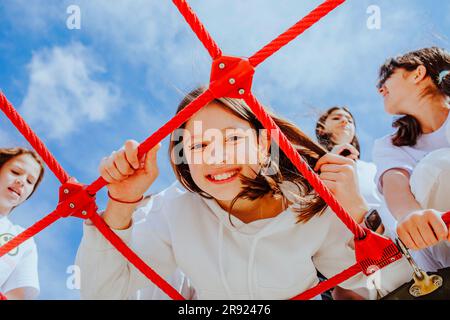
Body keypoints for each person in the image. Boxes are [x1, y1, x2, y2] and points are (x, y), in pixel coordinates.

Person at [76, 87, 412, 300]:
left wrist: (356, 214)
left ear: (265, 143)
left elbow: (390, 282)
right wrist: (120, 202)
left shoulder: (310, 204)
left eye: (233, 139)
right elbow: (103, 294)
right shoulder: (176, 208)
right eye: (198, 145)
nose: (215, 156)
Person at [373, 47, 450, 272]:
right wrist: (410, 215)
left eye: (387, 76)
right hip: (437, 243)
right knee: (436, 167)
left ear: (418, 74)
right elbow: (395, 182)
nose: (380, 89)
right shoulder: (392, 144)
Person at [315, 107, 391, 300]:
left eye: (349, 119)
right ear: (322, 129)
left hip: (388, 243)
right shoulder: (311, 167)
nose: (344, 121)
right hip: (341, 261)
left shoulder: (374, 168)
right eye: (336, 118)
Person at [0, 147, 44, 300]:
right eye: (16, 172)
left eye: (30, 181)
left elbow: (15, 296)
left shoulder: (22, 239)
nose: (21, 181)